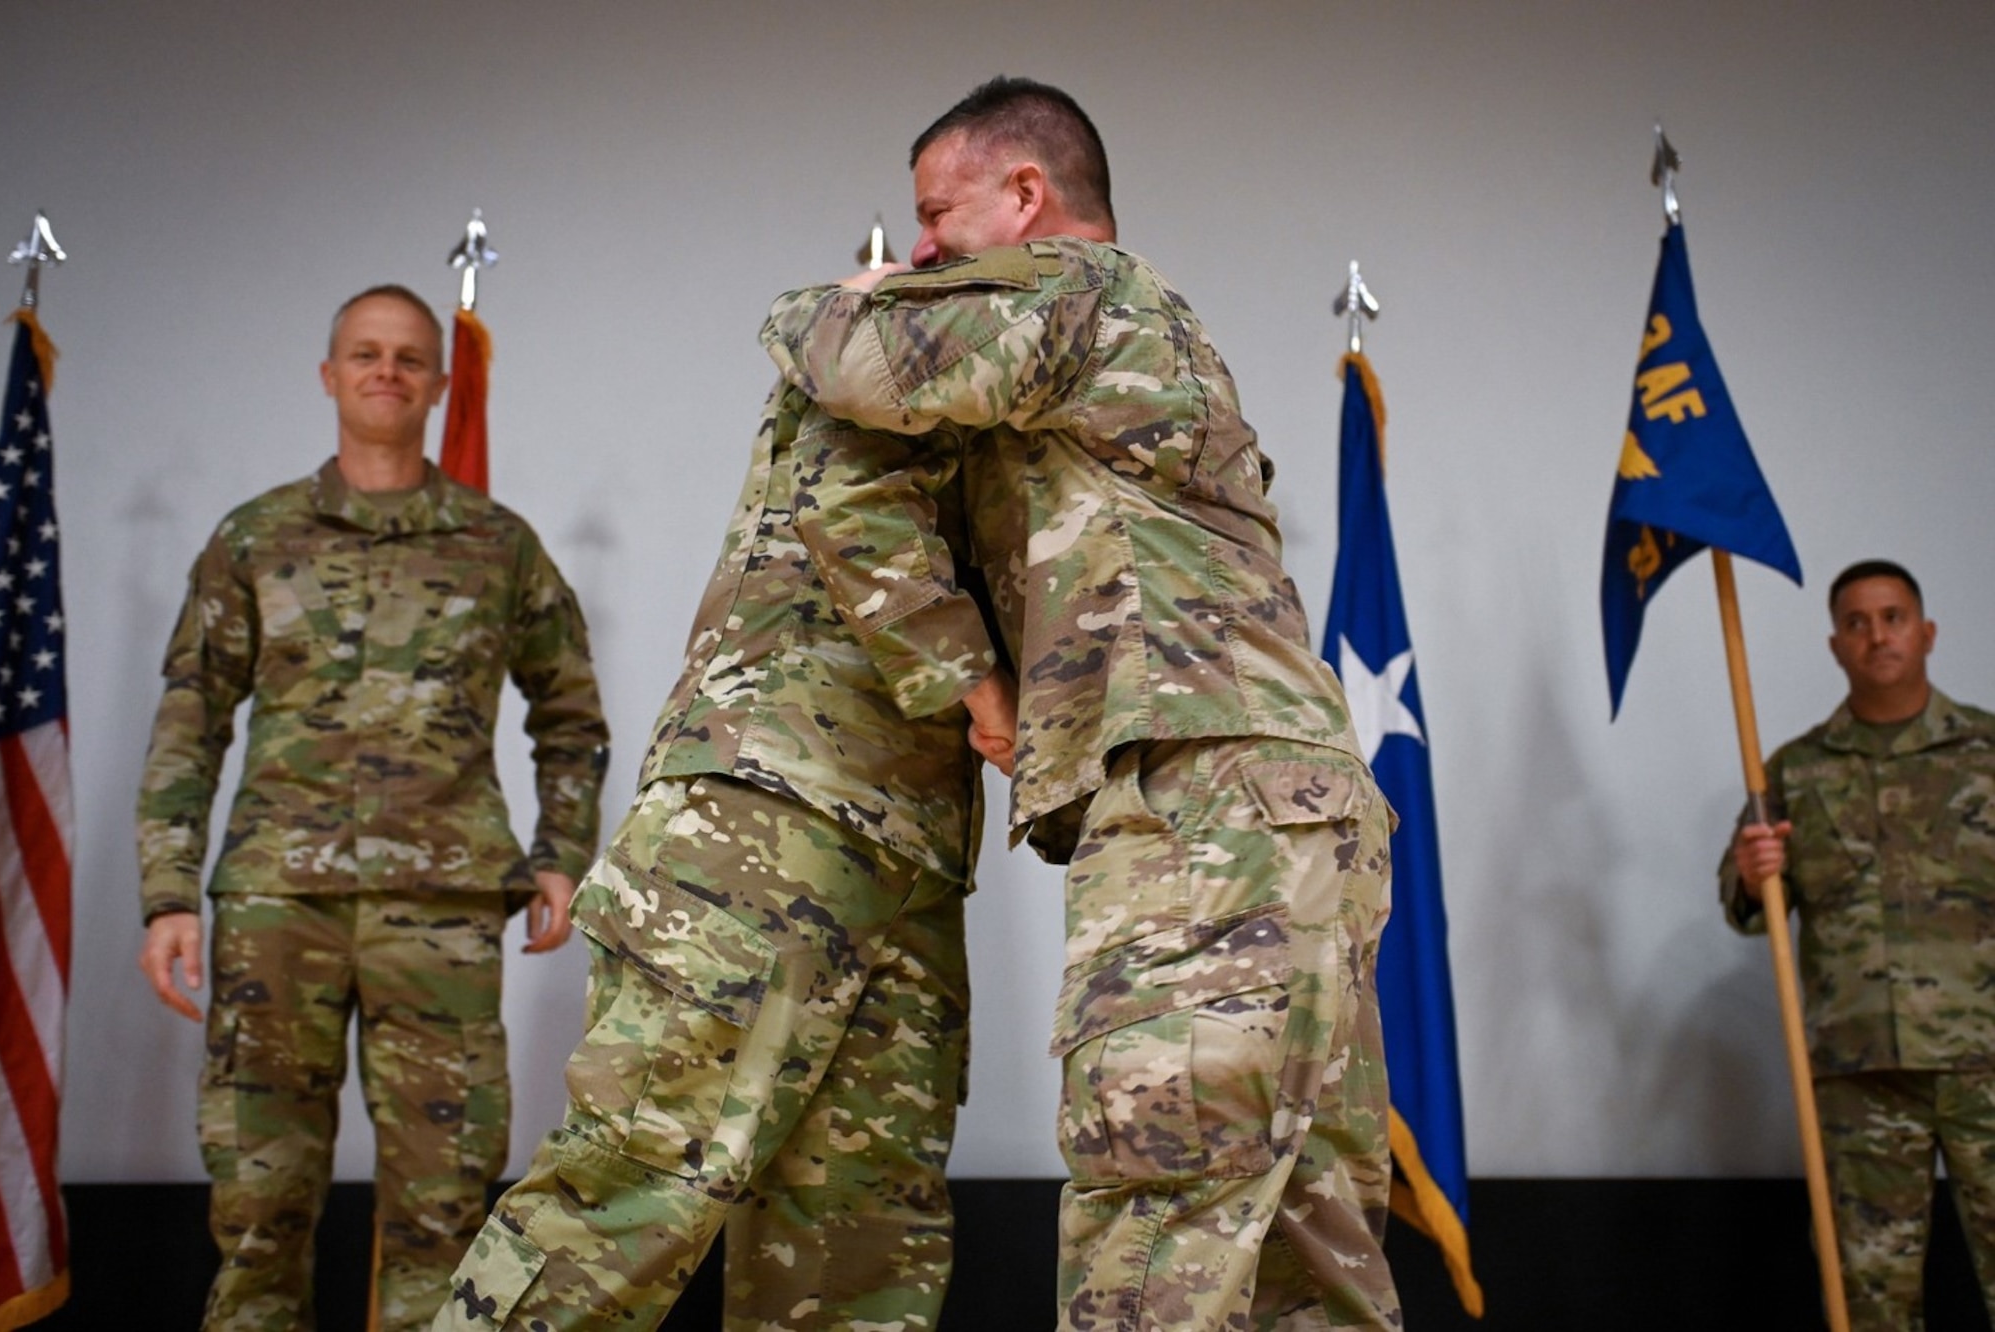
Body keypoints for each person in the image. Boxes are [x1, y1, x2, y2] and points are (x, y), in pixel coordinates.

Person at [763, 76, 1401, 1331]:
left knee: (1151, 1210)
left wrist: (836, 296)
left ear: (1026, 194)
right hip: (1283, 809)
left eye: (937, 215)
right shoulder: (1135, 330)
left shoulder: (1077, 288)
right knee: (1300, 1254)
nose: (926, 246)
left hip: (1197, 804)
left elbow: (861, 363)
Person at [434, 380, 1015, 1330]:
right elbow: (849, 503)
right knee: (637, 1183)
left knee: (858, 1231)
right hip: (766, 811)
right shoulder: (896, 342)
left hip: (914, 850)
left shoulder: (1035, 374)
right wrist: (987, 695)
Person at [136, 284, 610, 1332]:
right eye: (365, 354)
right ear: (328, 375)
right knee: (258, 1210)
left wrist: (558, 853)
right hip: (276, 908)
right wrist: (168, 893)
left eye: (407, 357)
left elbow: (570, 713)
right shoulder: (255, 537)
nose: (386, 372)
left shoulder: (498, 545)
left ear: (440, 383)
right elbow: (190, 715)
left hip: (438, 911)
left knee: (442, 1212)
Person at [1724, 559, 1995, 1328]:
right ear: (1836, 645)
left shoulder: (1987, 751)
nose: (1877, 635)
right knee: (1869, 1297)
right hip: (1862, 1075)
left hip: (1988, 1066)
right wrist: (1753, 873)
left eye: (1894, 616)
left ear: (1927, 632)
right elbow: (1744, 908)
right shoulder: (1796, 771)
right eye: (1856, 622)